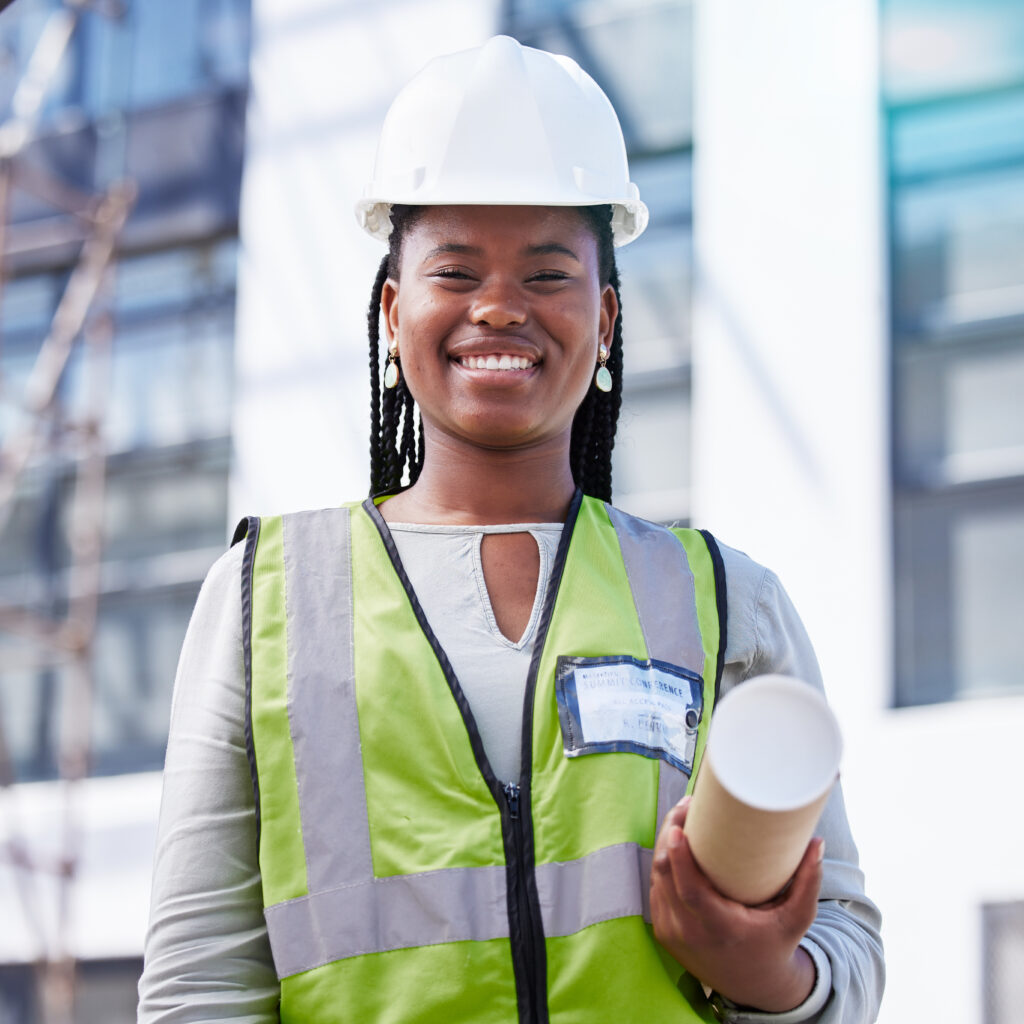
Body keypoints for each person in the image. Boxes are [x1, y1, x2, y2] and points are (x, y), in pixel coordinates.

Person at [138, 35, 884, 1024]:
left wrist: (763, 976)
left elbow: (845, 943)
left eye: (545, 275)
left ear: (606, 319)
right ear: (395, 312)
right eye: (455, 272)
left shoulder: (722, 604)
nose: (497, 307)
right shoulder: (263, 600)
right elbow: (200, 987)